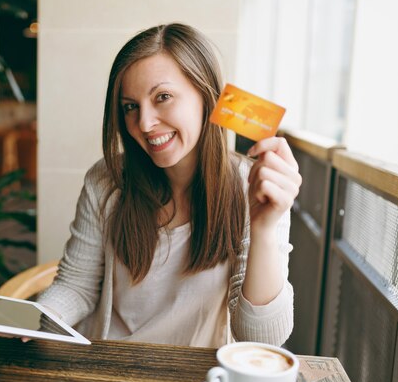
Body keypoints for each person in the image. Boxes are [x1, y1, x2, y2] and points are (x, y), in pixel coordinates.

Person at [36, 23, 301, 348]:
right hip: (108, 371)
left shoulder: (253, 188)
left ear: (208, 98)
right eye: (130, 106)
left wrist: (263, 228)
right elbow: (77, 287)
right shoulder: (106, 180)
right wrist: (30, 319)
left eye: (163, 97)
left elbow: (263, 337)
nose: (144, 124)